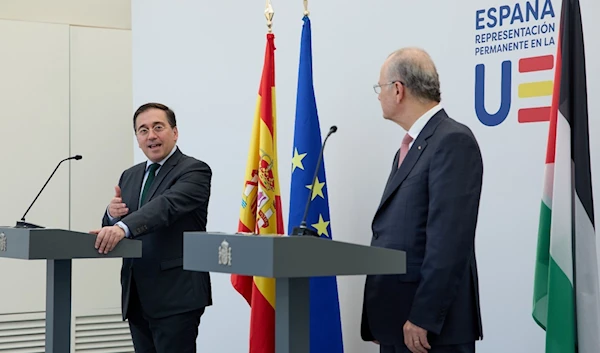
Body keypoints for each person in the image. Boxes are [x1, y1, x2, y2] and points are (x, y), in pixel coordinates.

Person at [361, 48, 484, 353]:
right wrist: (380, 316)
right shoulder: (410, 148)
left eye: (380, 87)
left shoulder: (452, 141)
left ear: (398, 90)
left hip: (428, 330)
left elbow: (449, 241)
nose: (378, 96)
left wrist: (424, 316)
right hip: (397, 322)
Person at [90, 102, 212, 353]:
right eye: (143, 130)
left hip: (176, 296)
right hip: (137, 295)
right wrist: (112, 216)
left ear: (175, 132)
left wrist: (122, 227)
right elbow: (117, 224)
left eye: (158, 127)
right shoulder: (130, 175)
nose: (151, 136)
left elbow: (165, 207)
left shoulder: (194, 170)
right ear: (137, 138)